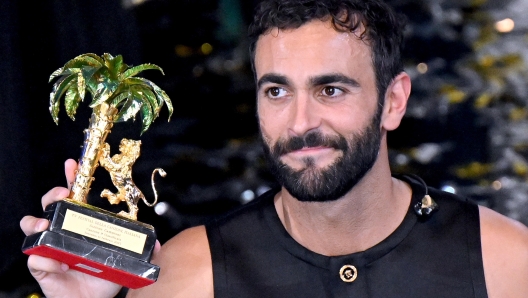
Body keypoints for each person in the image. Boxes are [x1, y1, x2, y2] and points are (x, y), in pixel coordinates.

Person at [20, 0, 528, 297]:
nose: (300, 122)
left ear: (393, 102)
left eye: (331, 90)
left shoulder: (507, 264)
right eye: (277, 91)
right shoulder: (189, 274)